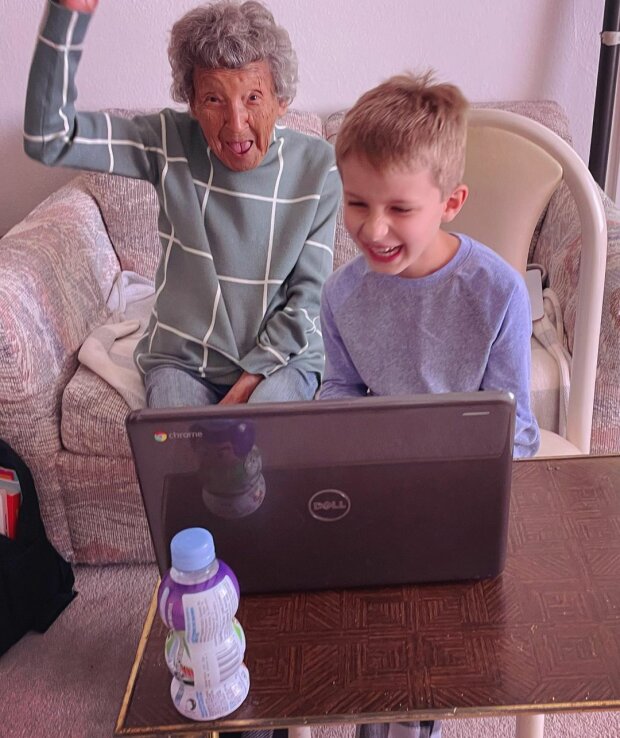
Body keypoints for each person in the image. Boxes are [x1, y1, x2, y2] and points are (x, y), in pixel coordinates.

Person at [24, 0, 340, 409]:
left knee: (262, 446)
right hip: (183, 360)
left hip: (282, 360)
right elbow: (50, 138)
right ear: (191, 103)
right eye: (213, 100)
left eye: (253, 97)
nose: (236, 123)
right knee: (183, 461)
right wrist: (67, 16)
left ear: (281, 100)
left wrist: (241, 393)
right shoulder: (167, 141)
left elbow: (308, 300)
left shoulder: (318, 167)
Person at [320, 72, 540, 469]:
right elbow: (341, 390)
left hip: (471, 470)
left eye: (400, 209)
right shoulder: (340, 294)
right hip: (379, 469)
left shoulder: (501, 293)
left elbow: (515, 431)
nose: (373, 229)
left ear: (451, 203)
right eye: (356, 203)